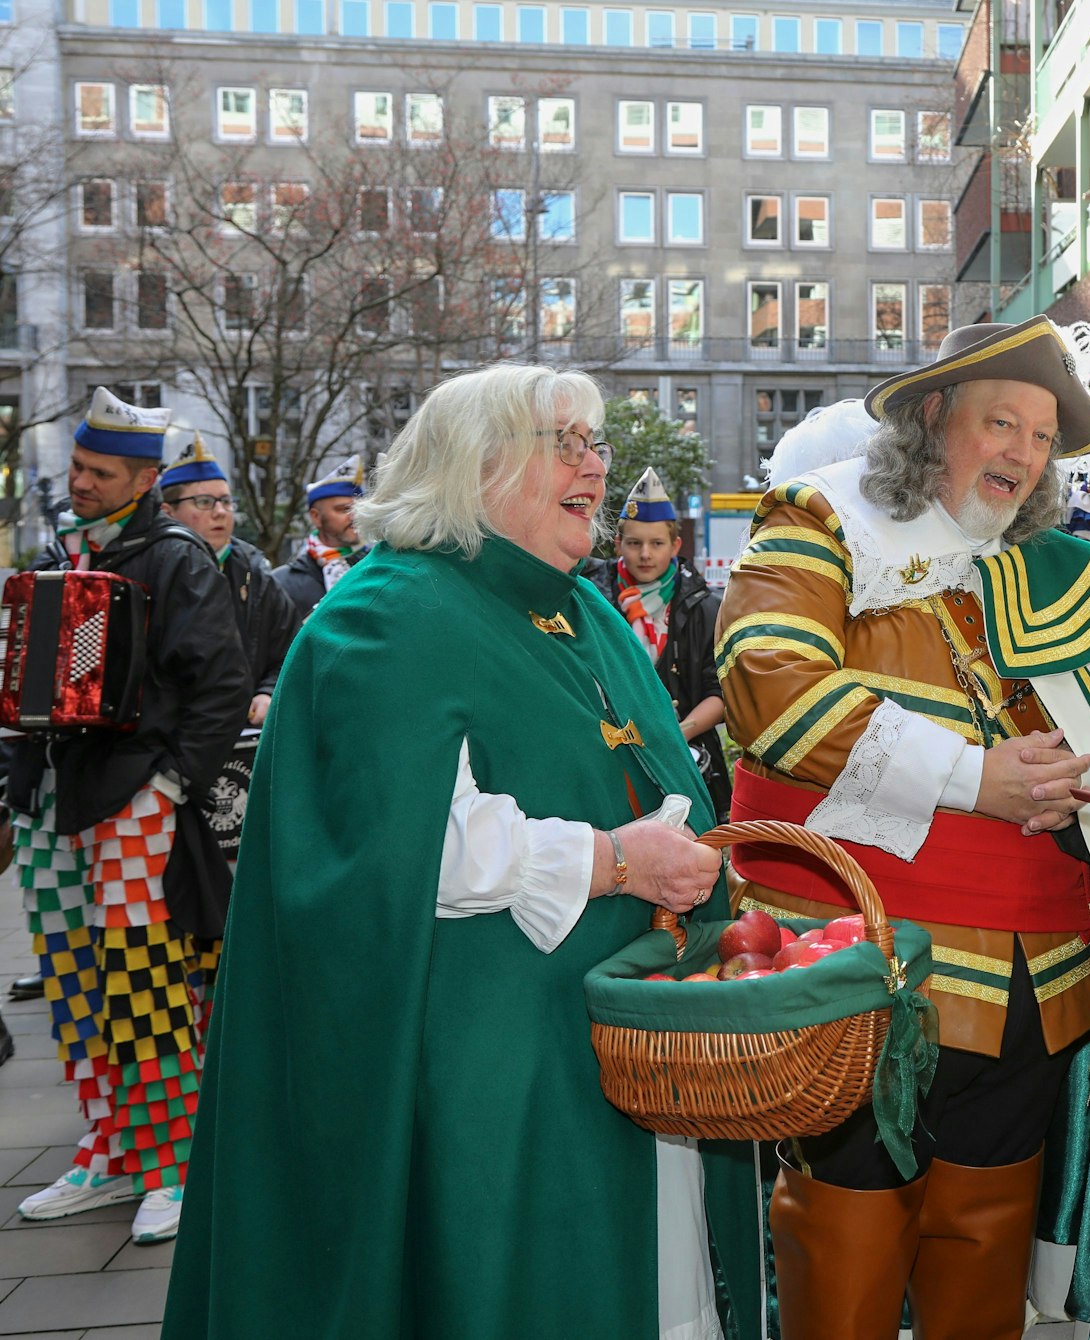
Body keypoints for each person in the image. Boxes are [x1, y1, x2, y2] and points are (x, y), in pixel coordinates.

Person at [163, 364, 751, 1339]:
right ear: (471, 465)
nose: (593, 467)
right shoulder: (384, 612)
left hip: (630, 1035)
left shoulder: (582, 608)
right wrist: (613, 861)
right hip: (487, 1059)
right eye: (559, 441)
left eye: (593, 442)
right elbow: (409, 842)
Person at [718, 314, 1090, 1338]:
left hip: (1032, 984)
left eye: (1041, 437)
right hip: (869, 973)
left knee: (983, 1248)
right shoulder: (819, 520)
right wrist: (973, 777)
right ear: (929, 417)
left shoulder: (1044, 569)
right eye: (999, 423)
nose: (1021, 454)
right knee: (848, 1243)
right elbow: (768, 689)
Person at [8, 389, 250, 1244]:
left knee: (144, 984)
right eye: (76, 466)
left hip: (138, 795)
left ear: (144, 479)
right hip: (57, 800)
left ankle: (172, 1161)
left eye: (97, 472)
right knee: (77, 987)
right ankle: (115, 1148)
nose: (77, 482)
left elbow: (221, 688)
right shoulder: (61, 553)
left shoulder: (174, 558)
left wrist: (172, 784)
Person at [586, 467, 730, 817]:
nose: (645, 554)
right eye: (634, 543)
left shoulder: (705, 606)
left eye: (657, 543)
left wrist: (675, 736)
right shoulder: (590, 595)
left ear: (676, 545)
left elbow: (721, 690)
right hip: (607, 759)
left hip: (686, 755)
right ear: (618, 544)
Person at [160, 434, 302, 727]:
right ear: (168, 511)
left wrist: (268, 692)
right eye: (203, 502)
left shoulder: (257, 575)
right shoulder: (153, 571)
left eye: (226, 501)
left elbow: (291, 649)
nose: (220, 511)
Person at [271, 455, 367, 613]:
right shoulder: (282, 582)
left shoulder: (375, 569)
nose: (354, 516)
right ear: (316, 517)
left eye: (360, 508)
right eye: (343, 509)